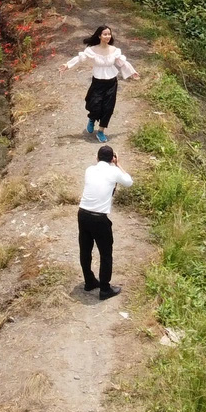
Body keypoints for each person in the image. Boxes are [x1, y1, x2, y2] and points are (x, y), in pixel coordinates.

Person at [63, 24, 138, 142]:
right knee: (95, 105)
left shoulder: (114, 51)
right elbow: (79, 58)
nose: (108, 36)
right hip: (97, 81)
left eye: (109, 34)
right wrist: (67, 65)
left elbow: (122, 63)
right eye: (105, 34)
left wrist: (132, 72)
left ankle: (101, 131)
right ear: (99, 36)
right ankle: (92, 119)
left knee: (108, 108)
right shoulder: (92, 50)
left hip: (112, 82)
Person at [77, 145, 132, 299]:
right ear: (112, 159)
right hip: (99, 218)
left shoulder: (89, 170)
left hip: (82, 214)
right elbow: (128, 182)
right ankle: (105, 289)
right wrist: (118, 164)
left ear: (97, 157)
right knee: (106, 253)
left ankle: (89, 281)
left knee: (85, 250)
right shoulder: (114, 171)